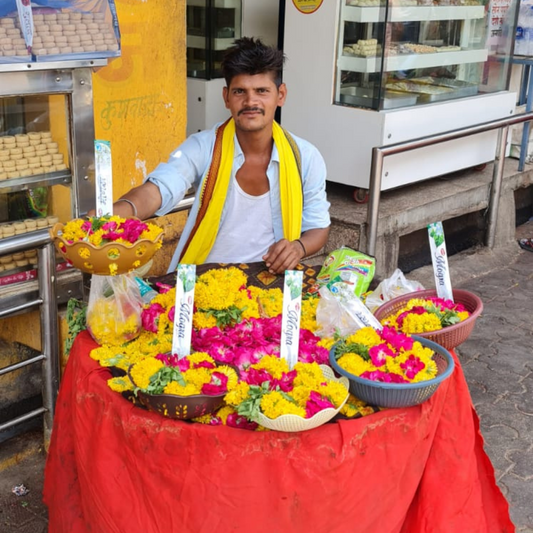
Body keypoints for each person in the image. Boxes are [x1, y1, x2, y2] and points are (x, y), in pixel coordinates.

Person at [108, 37, 330, 274]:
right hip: (202, 281)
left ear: (281, 95)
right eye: (239, 91)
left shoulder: (305, 157)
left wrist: (298, 247)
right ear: (226, 97)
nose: (250, 101)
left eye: (262, 91)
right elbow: (158, 189)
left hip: (271, 283)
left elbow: (318, 228)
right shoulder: (204, 147)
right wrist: (111, 216)